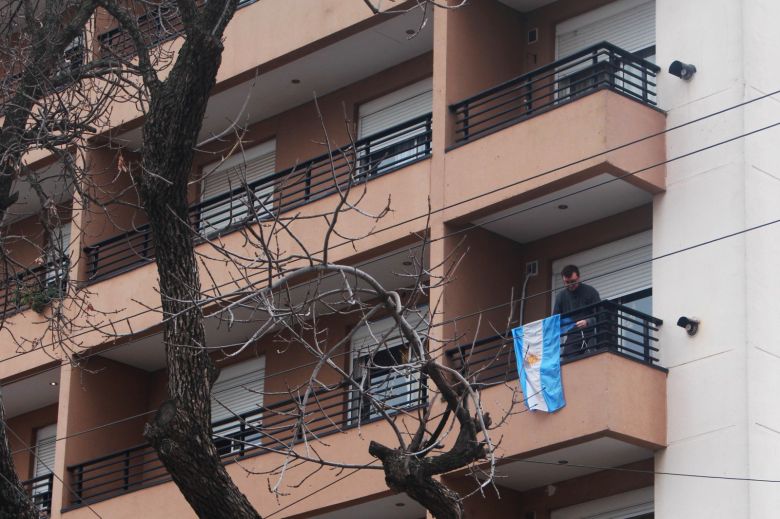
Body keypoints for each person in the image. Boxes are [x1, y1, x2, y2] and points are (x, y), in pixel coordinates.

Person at [552, 265, 601, 355]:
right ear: (563, 281)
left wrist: (588, 322)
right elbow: (554, 321)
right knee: (567, 361)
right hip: (572, 336)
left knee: (592, 358)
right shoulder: (560, 297)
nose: (570, 285)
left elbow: (601, 315)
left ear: (578, 278)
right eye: (567, 282)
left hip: (591, 333)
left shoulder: (590, 292)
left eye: (573, 282)